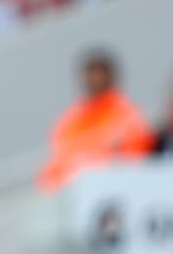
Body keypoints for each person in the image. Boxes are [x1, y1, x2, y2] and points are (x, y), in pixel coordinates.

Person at [36, 49, 156, 192]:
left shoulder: (128, 116)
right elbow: (55, 164)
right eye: (91, 74)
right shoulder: (70, 120)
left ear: (111, 77)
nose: (95, 80)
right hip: (75, 193)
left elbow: (136, 158)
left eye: (99, 74)